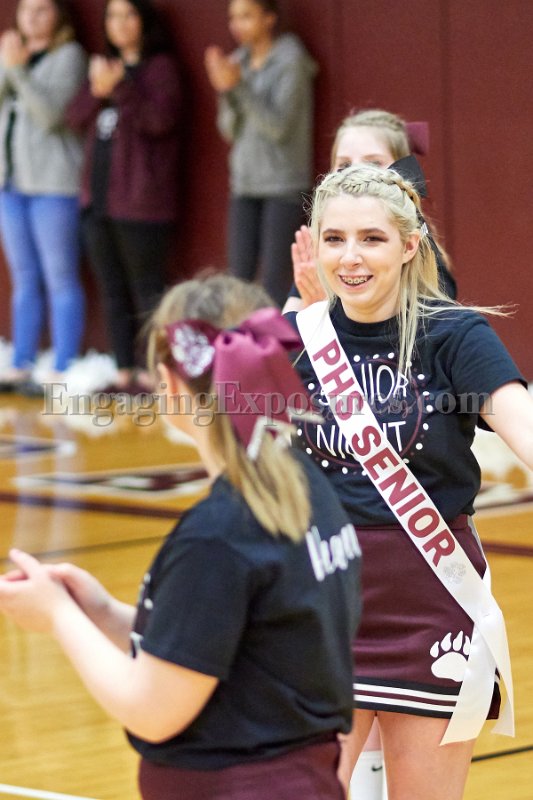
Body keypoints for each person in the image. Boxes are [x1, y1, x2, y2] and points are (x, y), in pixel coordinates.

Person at [0, 273, 362, 800]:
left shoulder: (219, 535)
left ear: (170, 385)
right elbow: (230, 642)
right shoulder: (306, 488)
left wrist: (57, 618)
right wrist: (101, 612)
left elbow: (152, 710)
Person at [286, 163, 533, 800]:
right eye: (335, 239)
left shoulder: (455, 335)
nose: (351, 257)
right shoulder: (295, 341)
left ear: (408, 245)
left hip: (432, 601)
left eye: (371, 238)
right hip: (322, 602)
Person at [66, 0, 181, 393]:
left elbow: (160, 121)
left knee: (147, 290)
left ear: (144, 21)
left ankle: (155, 373)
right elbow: (74, 117)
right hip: (98, 203)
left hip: (141, 205)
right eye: (112, 16)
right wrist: (99, 90)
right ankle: (123, 371)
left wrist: (120, 89)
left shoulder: (161, 69)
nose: (119, 24)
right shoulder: (104, 67)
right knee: (112, 289)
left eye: (128, 15)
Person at [283, 108, 456, 316]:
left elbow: (437, 327)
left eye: (373, 163)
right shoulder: (321, 251)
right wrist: (312, 310)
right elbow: (284, 330)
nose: (355, 172)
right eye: (344, 164)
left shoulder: (424, 254)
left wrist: (327, 310)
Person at [204, 0, 317, 307]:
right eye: (233, 17)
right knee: (237, 280)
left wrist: (238, 86)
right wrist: (226, 89)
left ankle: (277, 340)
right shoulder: (237, 61)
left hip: (283, 184)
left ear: (269, 18)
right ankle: (241, 339)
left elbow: (279, 128)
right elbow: (228, 129)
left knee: (274, 283)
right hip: (244, 183)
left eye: (246, 16)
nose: (237, 25)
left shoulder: (290, 59)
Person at [0, 0, 86, 394]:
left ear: (59, 16)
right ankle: (22, 362)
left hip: (53, 184)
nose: (32, 18)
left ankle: (64, 364)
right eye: (26, 9)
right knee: (23, 277)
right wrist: (10, 67)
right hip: (11, 183)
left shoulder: (69, 57)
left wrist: (18, 71)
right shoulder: (12, 54)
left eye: (42, 10)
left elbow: (51, 116)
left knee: (60, 275)